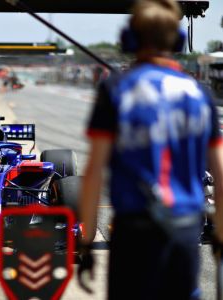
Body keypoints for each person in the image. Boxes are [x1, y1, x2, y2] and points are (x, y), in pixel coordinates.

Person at [77, 0, 223, 299]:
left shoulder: (116, 89)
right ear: (178, 41)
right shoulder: (200, 94)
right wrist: (220, 233)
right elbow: (221, 176)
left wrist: (87, 241)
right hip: (185, 229)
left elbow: (92, 174)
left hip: (135, 231)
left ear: (129, 39)